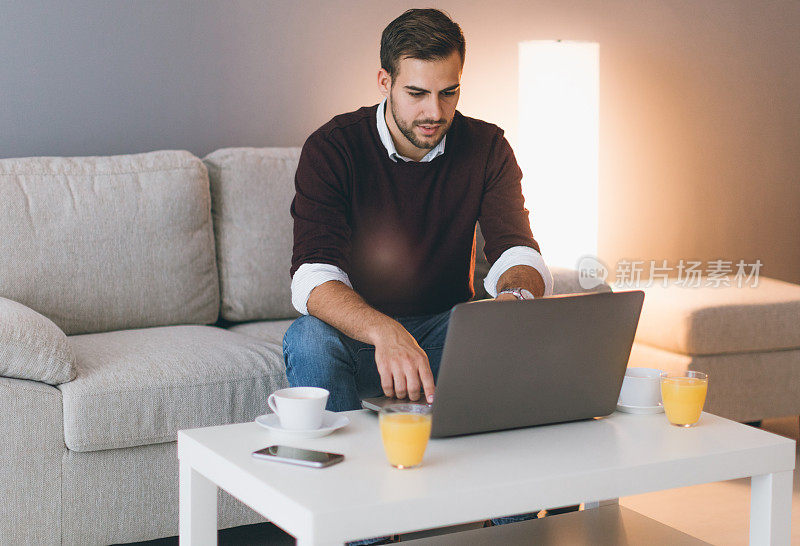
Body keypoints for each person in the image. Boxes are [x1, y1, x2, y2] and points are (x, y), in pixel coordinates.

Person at [282, 9, 553, 543]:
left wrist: (517, 300)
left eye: (449, 93)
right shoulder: (333, 148)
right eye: (417, 93)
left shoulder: (488, 147)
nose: (435, 111)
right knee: (307, 339)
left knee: (516, 332)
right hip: (357, 335)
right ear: (384, 81)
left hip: (445, 327)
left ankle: (511, 529)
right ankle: (359, 530)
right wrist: (385, 331)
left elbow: (516, 248)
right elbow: (313, 277)